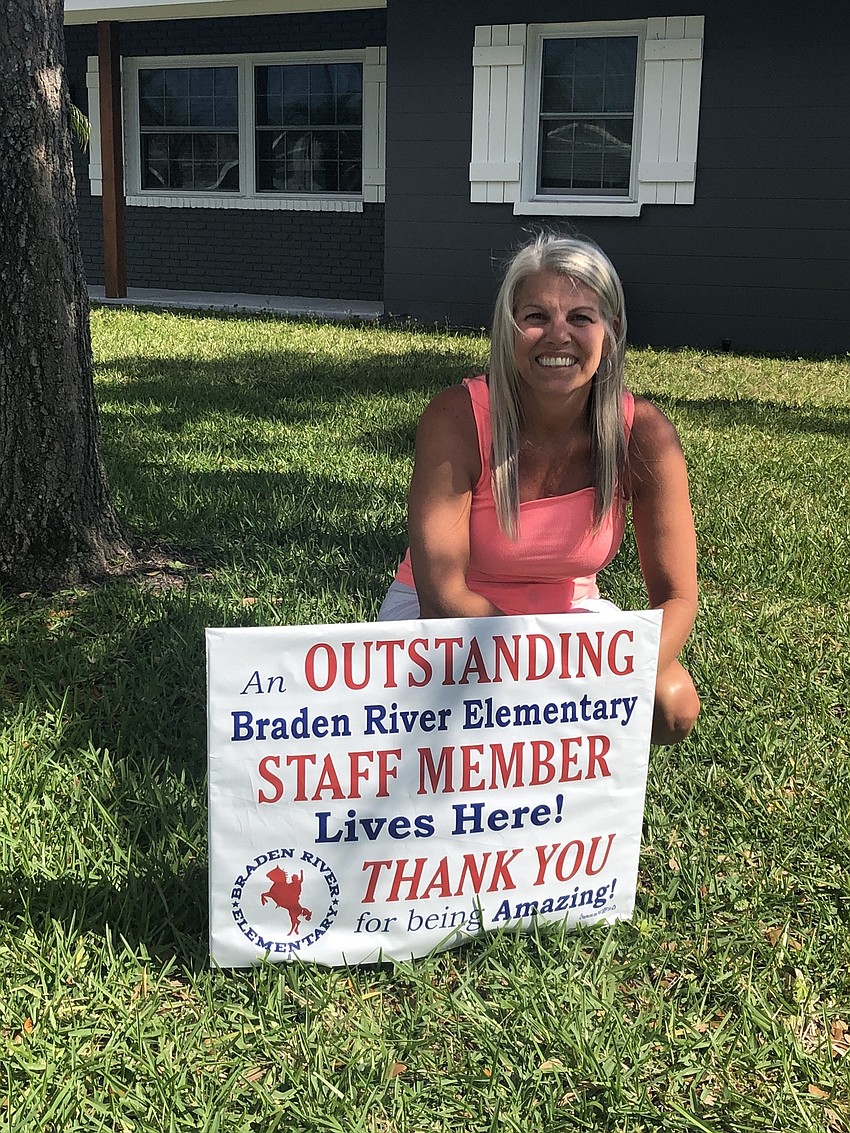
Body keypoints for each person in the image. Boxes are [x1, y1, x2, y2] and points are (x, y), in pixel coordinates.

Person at [378, 234, 700, 745]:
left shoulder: (644, 433)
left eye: (580, 318)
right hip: (449, 618)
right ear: (508, 332)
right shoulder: (456, 417)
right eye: (535, 317)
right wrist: (542, 683)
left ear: (611, 332)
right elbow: (442, 597)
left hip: (568, 619)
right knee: (451, 724)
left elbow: (679, 597)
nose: (558, 336)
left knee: (672, 704)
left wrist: (612, 674)